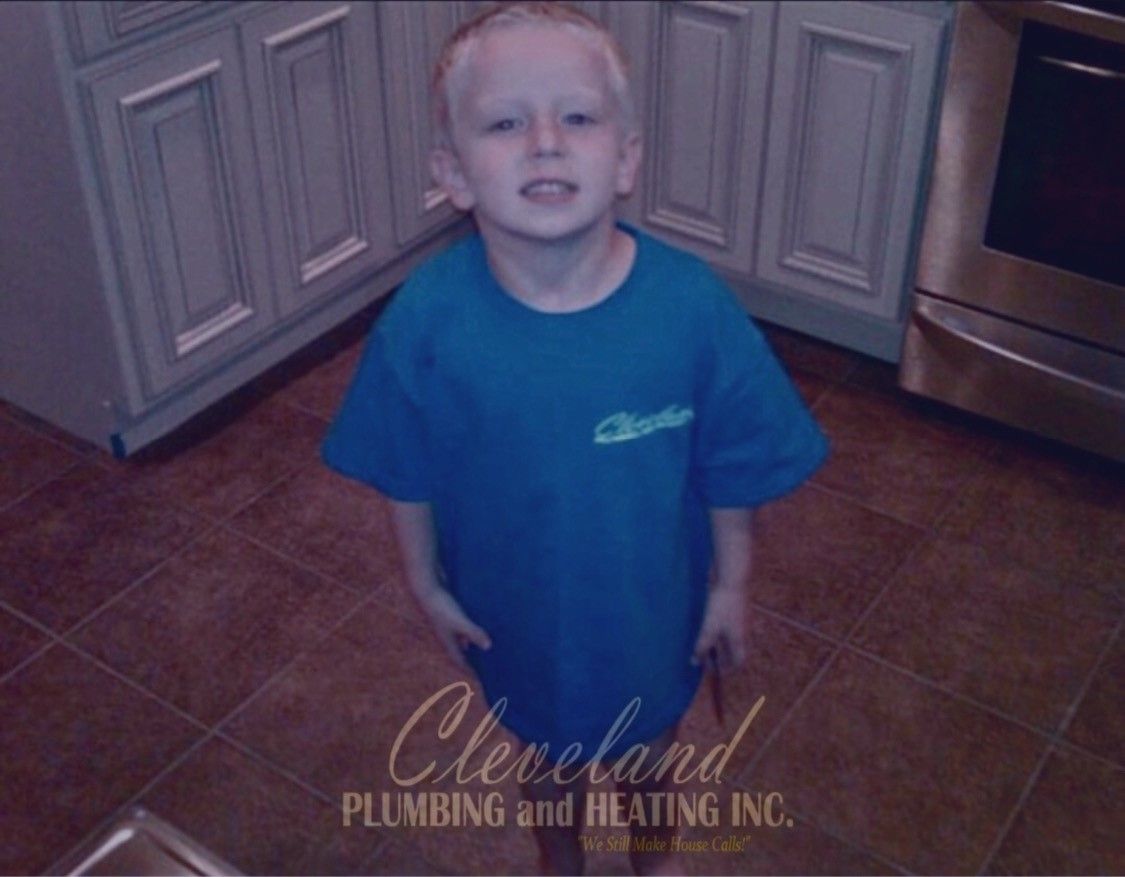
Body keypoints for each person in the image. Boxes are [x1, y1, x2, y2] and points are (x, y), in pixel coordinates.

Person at [322, 3, 828, 873]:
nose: (546, 141)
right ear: (454, 171)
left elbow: (730, 467)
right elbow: (404, 469)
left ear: (626, 158)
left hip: (651, 613)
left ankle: (653, 856)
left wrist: (732, 586)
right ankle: (562, 859)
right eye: (507, 121)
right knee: (548, 764)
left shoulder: (691, 311)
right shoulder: (424, 326)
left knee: (645, 760)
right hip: (512, 617)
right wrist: (423, 585)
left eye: (579, 116)